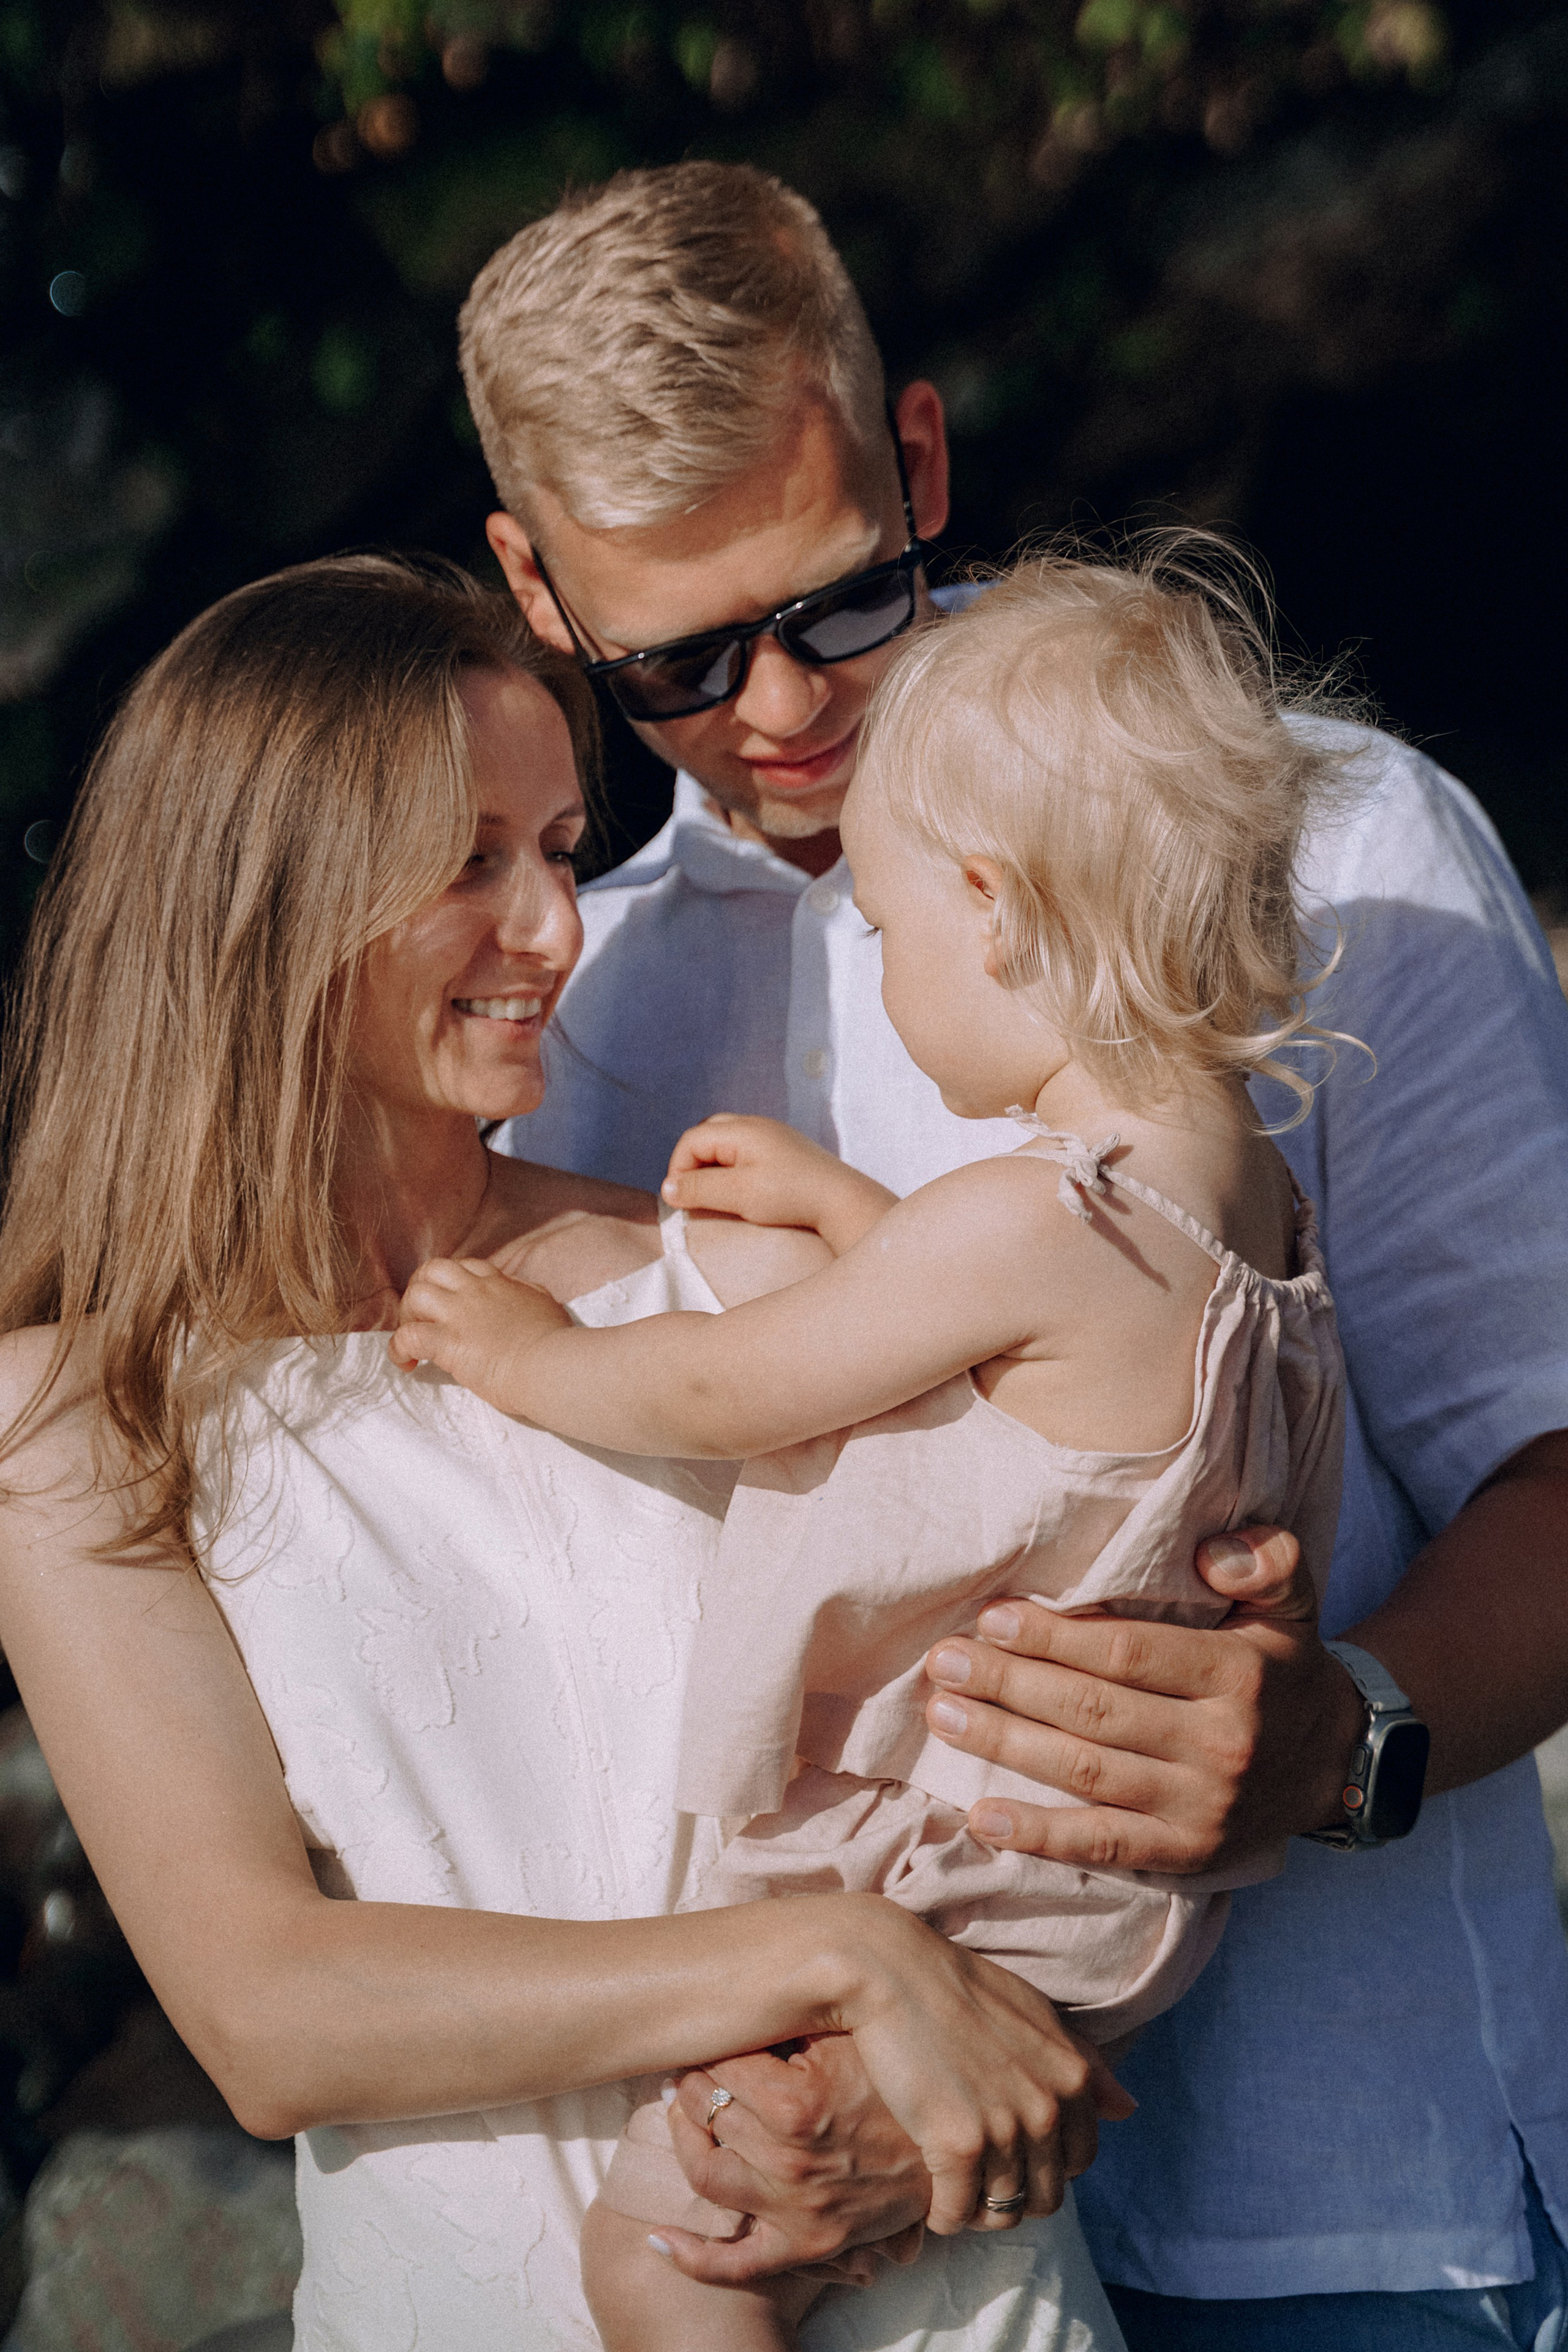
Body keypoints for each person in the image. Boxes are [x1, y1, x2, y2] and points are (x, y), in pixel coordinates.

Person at [460, 159, 1568, 2345]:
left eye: (843, 600)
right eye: (678, 657)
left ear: (923, 462)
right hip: (876, 2237)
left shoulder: (1320, 838)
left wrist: (1348, 1728)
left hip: (1331, 2212)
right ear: (537, 592)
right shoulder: (560, 997)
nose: (778, 706)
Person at [0, 554, 1134, 2351]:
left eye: (558, 846)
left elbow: (1055, 1730)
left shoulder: (740, 1281)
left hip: (944, 2299)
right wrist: (840, 1957)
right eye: (471, 864)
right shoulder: (77, 1417)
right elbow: (269, 2016)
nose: (554, 929)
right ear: (265, 904)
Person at [394, 548, 1349, 2352]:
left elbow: (728, 1390)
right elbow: (1061, 1396)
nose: (895, 975)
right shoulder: (1249, 1206)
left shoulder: (1027, 1222)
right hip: (1104, 1915)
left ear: (991, 912)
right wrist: (853, 1209)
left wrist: (522, 1353)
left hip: (964, 1897)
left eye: (894, 934)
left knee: (672, 2244)